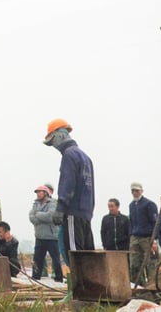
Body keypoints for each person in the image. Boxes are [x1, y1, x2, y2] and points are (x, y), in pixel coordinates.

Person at [43, 118, 95, 256]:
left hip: (73, 212)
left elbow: (68, 184)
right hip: (86, 213)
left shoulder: (69, 155)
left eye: (53, 140)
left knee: (75, 254)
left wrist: (60, 208)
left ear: (60, 134)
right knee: (87, 254)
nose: (54, 145)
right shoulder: (85, 157)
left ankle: (80, 278)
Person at [29, 184, 63, 282]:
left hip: (51, 236)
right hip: (39, 236)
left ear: (45, 193)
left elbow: (50, 216)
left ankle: (58, 278)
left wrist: (38, 214)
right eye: (37, 192)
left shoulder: (52, 203)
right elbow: (31, 217)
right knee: (37, 259)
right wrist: (40, 217)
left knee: (55, 259)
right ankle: (35, 277)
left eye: (40, 192)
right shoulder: (35, 203)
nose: (38, 194)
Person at [128, 182, 158, 284]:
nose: (135, 193)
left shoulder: (149, 204)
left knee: (150, 264)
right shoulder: (131, 205)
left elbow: (155, 222)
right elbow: (131, 221)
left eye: (137, 190)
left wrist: (154, 240)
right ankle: (137, 285)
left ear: (141, 191)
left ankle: (151, 285)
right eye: (133, 191)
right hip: (135, 237)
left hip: (147, 238)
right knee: (134, 265)